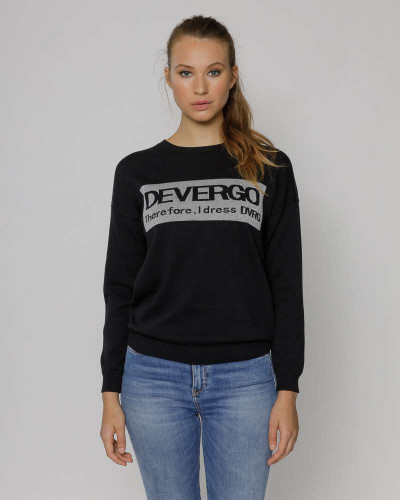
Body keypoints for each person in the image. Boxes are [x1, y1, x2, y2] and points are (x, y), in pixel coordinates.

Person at [99, 14, 305, 500]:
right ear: (168, 77)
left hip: (246, 378)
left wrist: (288, 389)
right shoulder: (136, 172)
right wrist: (110, 394)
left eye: (213, 71)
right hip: (151, 377)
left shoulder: (269, 168)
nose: (199, 87)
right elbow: (119, 286)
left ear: (232, 76)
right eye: (185, 72)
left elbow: (286, 284)